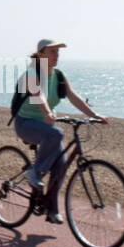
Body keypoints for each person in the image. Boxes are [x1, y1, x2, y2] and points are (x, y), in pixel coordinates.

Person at [13, 39, 108, 224]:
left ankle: (51, 209)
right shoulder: (31, 74)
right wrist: (47, 112)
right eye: (52, 51)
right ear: (41, 54)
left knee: (61, 166)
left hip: (46, 126)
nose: (57, 55)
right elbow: (38, 95)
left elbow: (73, 97)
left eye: (58, 52)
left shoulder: (58, 75)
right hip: (26, 124)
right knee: (56, 134)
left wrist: (95, 115)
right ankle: (35, 173)